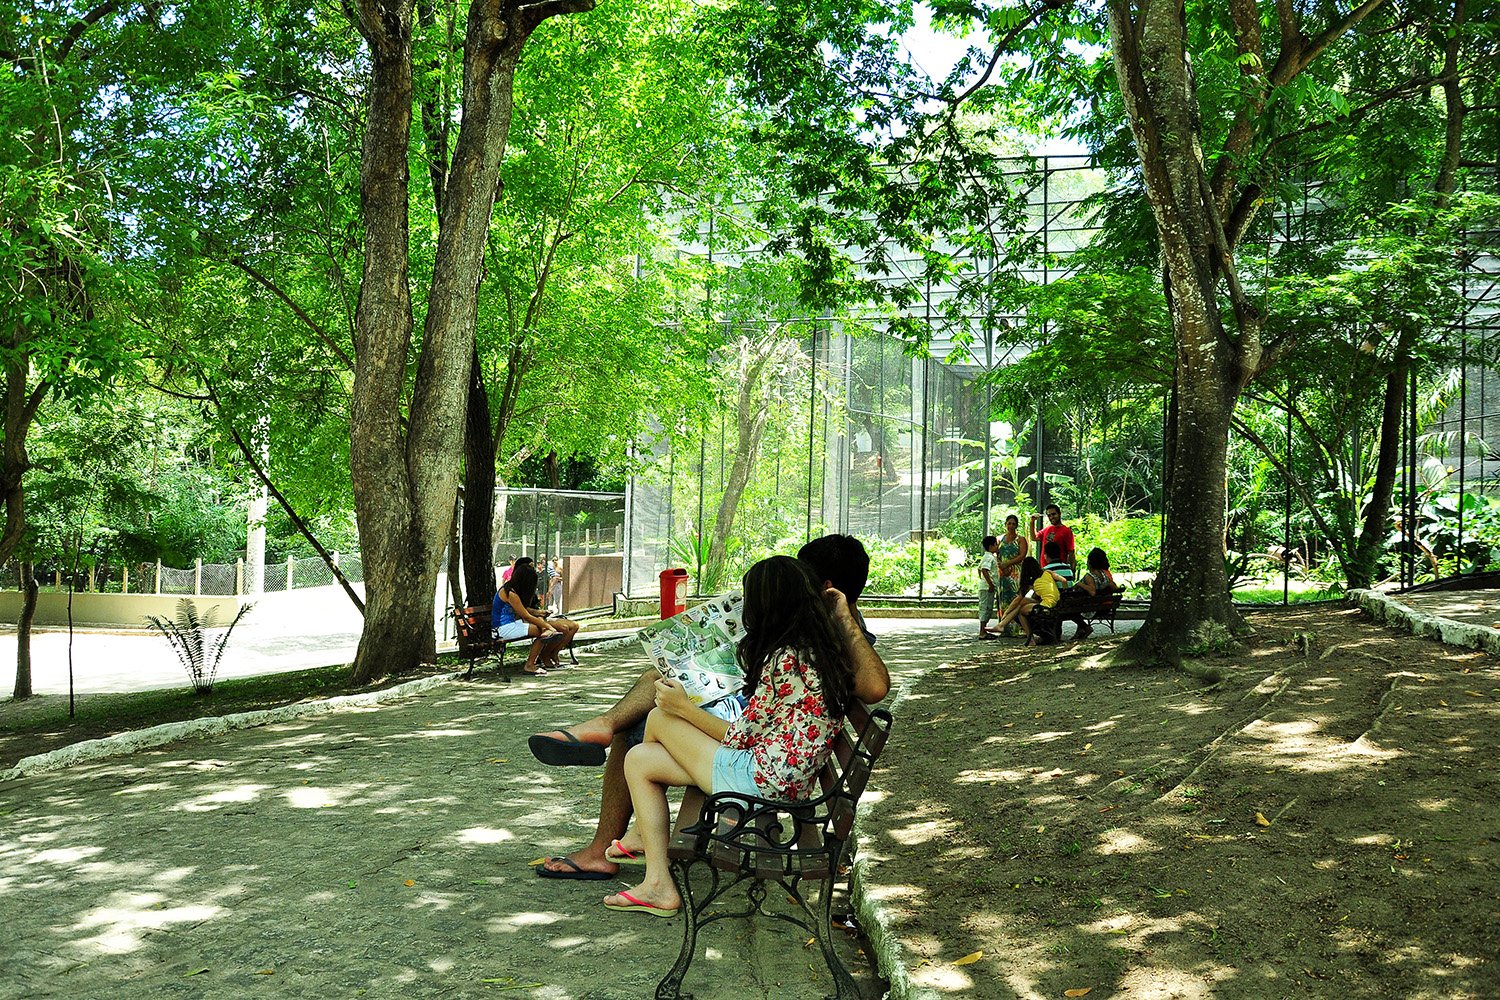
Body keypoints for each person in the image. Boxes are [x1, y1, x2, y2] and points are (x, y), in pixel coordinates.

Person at [531, 533, 889, 881]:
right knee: (656, 694)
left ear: (823, 588)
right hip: (769, 749)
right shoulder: (808, 640)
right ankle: (609, 738)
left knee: (652, 719)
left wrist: (686, 708)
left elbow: (871, 689)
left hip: (763, 765)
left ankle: (629, 828)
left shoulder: (814, 646)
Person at [601, 555, 888, 916]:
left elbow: (738, 737)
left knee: (660, 716)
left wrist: (683, 708)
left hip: (764, 782)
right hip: (784, 778)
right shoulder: (818, 650)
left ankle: (649, 855)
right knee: (639, 760)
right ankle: (655, 874)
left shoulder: (784, 660)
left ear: (766, 607)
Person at [493, 562, 565, 675]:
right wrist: (549, 627)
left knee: (542, 630)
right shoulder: (510, 593)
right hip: (502, 628)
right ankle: (530, 665)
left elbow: (524, 611)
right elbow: (526, 616)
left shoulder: (509, 589)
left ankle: (534, 660)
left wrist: (541, 617)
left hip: (509, 624)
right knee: (541, 632)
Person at [992, 556, 1061, 647]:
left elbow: (1017, 600)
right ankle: (1002, 624)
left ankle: (1030, 639)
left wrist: (1006, 613)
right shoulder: (1046, 573)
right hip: (1057, 603)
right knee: (1024, 601)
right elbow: (1062, 580)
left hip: (1046, 606)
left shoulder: (1032, 581)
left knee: (1021, 611)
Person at [1064, 547, 1116, 641]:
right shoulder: (1104, 575)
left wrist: (1080, 584)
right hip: (1103, 607)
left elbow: (1092, 592)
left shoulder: (1089, 576)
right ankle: (1081, 630)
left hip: (1091, 609)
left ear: (1090, 562)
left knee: (1069, 609)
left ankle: (1085, 627)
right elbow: (1115, 587)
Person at [996, 515, 1027, 636]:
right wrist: (1001, 566)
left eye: (1013, 524)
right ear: (1005, 524)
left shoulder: (1021, 539)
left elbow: (1022, 555)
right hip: (1002, 572)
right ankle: (1004, 627)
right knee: (1004, 598)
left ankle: (1018, 628)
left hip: (1016, 573)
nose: (1011, 526)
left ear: (1016, 525)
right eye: (1009, 523)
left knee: (1016, 598)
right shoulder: (1000, 539)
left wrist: (1008, 564)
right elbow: (996, 554)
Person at [1030, 504, 1076, 574]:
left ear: (1059, 513)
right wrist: (1032, 521)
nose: (1051, 517)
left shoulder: (1067, 531)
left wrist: (1071, 569)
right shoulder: (1047, 529)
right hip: (1045, 569)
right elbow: (1034, 537)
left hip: (1059, 570)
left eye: (1053, 514)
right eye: (1049, 515)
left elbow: (1071, 552)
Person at [977, 535, 1001, 639]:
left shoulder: (988, 556)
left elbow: (979, 569)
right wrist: (990, 584)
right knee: (985, 608)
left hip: (986, 586)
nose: (997, 547)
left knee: (988, 608)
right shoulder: (989, 557)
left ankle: (984, 630)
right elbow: (984, 569)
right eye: (996, 545)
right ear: (991, 546)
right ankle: (982, 632)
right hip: (987, 588)